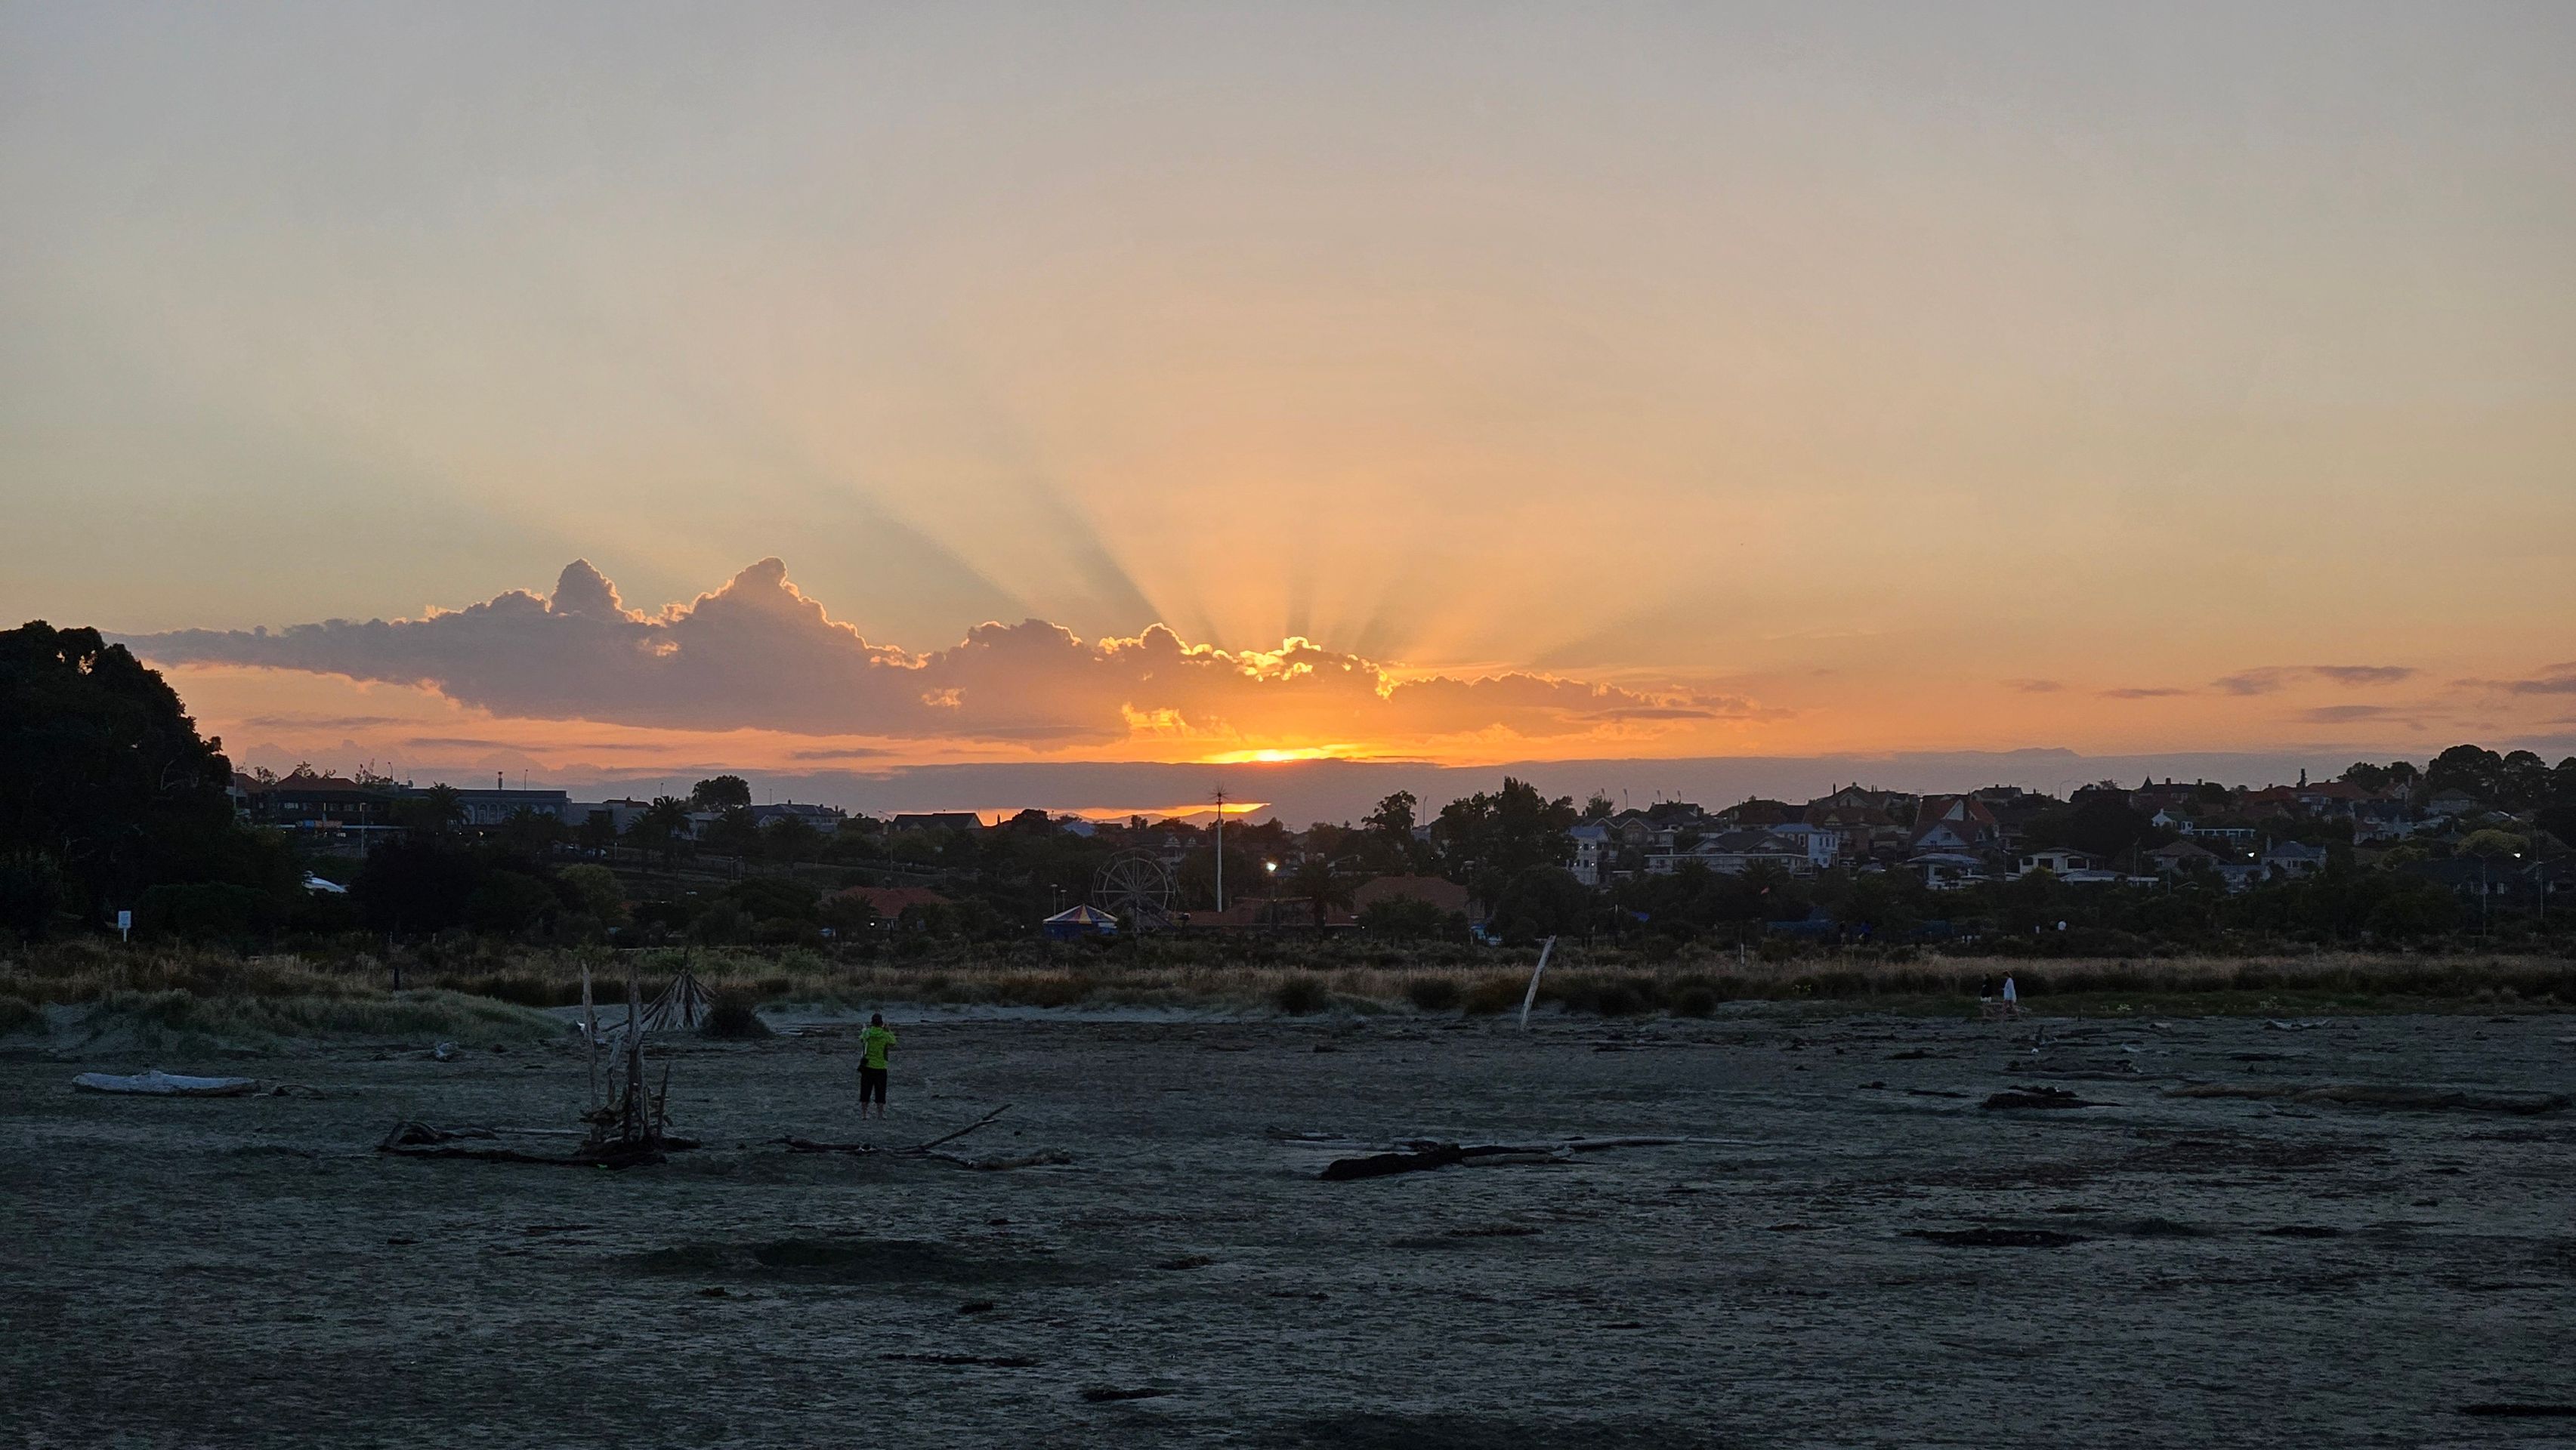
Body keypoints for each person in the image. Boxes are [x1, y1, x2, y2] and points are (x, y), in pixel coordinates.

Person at [857, 1012, 897, 1118]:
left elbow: (861, 1039)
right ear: (881, 1023)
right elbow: (893, 1042)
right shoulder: (885, 1035)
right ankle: (880, 1114)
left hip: (868, 1066)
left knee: (865, 1091)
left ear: (872, 1023)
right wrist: (888, 1031)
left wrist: (865, 1030)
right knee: (880, 1092)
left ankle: (864, 1114)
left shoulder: (868, 1033)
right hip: (881, 1067)